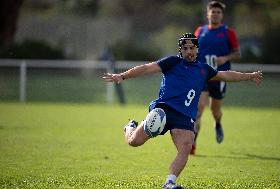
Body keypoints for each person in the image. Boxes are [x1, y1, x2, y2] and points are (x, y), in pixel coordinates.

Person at [102, 33, 262, 188]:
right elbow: (145, 68)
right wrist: (122, 76)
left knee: (186, 147)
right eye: (185, 48)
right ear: (181, 50)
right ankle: (129, 127)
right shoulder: (171, 62)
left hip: (184, 117)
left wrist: (249, 76)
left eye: (192, 48)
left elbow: (226, 75)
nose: (189, 51)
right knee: (134, 142)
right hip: (163, 111)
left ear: (197, 49)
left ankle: (170, 182)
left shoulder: (204, 69)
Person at [192, 1, 241, 154]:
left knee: (215, 111)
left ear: (222, 15)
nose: (215, 14)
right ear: (208, 14)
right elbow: (191, 50)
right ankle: (192, 144)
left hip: (220, 76)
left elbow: (237, 53)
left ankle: (218, 123)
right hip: (202, 76)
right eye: (213, 12)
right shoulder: (200, 31)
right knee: (199, 109)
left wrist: (225, 58)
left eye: (218, 12)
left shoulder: (228, 32)